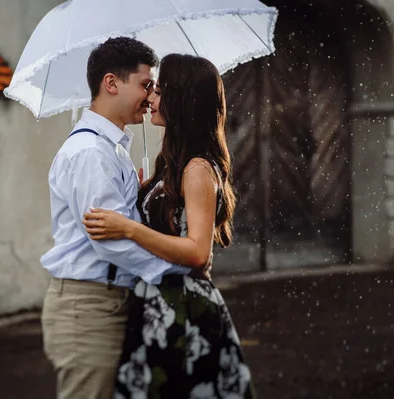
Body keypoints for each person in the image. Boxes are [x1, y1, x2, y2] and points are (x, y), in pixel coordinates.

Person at [40, 38, 210, 399]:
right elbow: (112, 242)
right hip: (89, 309)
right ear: (112, 83)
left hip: (114, 301)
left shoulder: (112, 150)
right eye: (146, 85)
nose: (151, 97)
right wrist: (180, 270)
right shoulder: (90, 153)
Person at [83, 54, 255, 398]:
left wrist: (129, 228)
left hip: (185, 309)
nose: (151, 99)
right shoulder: (175, 167)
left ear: (182, 100)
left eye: (159, 91)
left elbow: (196, 252)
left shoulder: (197, 170)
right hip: (160, 304)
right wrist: (148, 195)